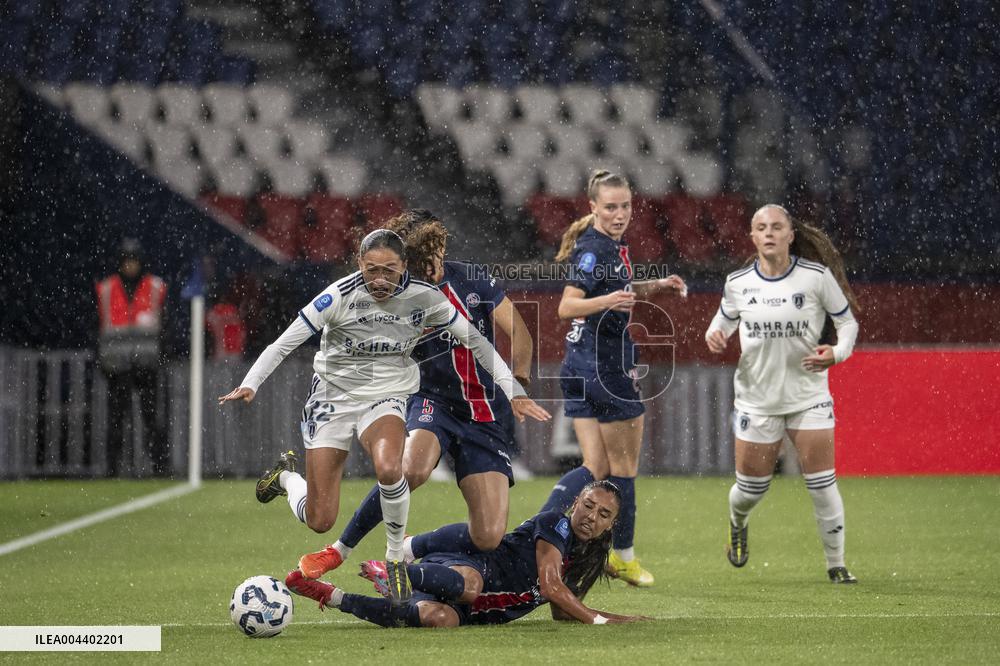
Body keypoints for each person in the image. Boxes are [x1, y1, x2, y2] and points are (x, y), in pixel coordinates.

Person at [218, 229, 548, 604]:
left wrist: (514, 390)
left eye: (389, 270)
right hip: (333, 396)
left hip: (385, 396)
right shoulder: (338, 295)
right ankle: (287, 478)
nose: (379, 279)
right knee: (320, 518)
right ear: (359, 264)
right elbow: (283, 344)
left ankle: (394, 558)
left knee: (393, 468)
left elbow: (478, 343)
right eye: (371, 269)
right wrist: (251, 383)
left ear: (404, 266)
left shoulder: (425, 297)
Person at [295, 210, 548, 581]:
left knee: (488, 536)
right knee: (410, 469)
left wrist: (519, 380)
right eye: (420, 263)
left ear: (442, 247)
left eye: (434, 259)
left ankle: (410, 548)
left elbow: (520, 331)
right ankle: (339, 549)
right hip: (434, 402)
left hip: (484, 412)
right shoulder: (398, 297)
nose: (430, 269)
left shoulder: (472, 278)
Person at [539, 170, 687, 587]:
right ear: (593, 207)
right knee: (623, 469)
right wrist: (609, 300)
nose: (619, 214)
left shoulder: (607, 246)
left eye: (625, 206)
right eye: (610, 207)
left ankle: (544, 528)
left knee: (594, 466)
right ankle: (623, 557)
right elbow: (567, 306)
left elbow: (616, 290)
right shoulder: (594, 249)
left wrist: (654, 286)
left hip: (578, 366)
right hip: (606, 368)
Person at [704, 204, 860, 583]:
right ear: (753, 237)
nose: (769, 233)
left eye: (776, 227)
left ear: (791, 235)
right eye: (761, 228)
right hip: (757, 401)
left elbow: (847, 322)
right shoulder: (739, 282)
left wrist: (837, 353)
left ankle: (836, 565)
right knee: (751, 491)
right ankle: (738, 522)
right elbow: (723, 319)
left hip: (809, 396)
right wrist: (715, 333)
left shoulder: (816, 277)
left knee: (822, 484)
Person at [286, 480, 651, 627]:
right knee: (471, 585)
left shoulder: (584, 557)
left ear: (611, 526)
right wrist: (602, 622)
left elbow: (562, 609)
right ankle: (397, 570)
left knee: (438, 619)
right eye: (588, 505)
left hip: (476, 610)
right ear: (575, 503)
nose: (591, 517)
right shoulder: (556, 523)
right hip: (470, 567)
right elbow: (551, 587)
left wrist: (615, 617)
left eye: (603, 514)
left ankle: (332, 597)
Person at [94, 238, 169, 477]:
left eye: (134, 260)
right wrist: (102, 362)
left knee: (152, 420)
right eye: (126, 261)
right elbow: (97, 328)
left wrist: (161, 359)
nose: (130, 265)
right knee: (116, 420)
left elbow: (165, 328)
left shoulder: (155, 287)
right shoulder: (106, 289)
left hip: (147, 366)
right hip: (117, 368)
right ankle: (113, 469)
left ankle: (159, 467)